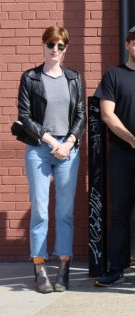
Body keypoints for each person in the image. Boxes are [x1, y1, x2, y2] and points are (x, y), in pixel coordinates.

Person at [16, 26, 86, 293]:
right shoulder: (31, 77)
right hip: (40, 148)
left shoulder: (73, 78)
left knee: (65, 212)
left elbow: (80, 114)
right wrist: (52, 141)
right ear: (43, 46)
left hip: (68, 150)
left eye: (60, 45)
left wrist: (68, 143)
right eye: (50, 44)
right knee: (41, 210)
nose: (55, 50)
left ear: (66, 48)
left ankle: (64, 267)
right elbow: (25, 116)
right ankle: (39, 266)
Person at [95, 25, 135, 287]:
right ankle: (116, 267)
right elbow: (107, 115)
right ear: (127, 45)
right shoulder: (113, 75)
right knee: (121, 212)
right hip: (122, 153)